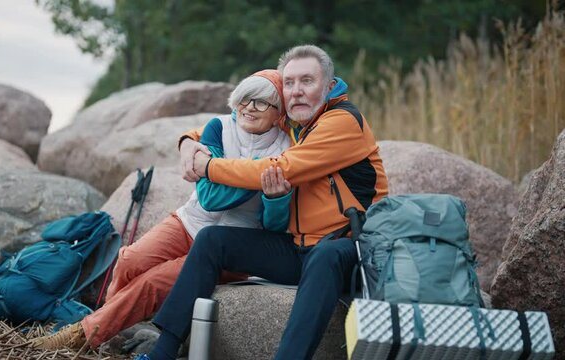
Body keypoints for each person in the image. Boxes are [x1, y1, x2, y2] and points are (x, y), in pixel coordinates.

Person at [138, 45, 388, 360]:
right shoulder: (299, 122)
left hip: (348, 249)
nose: (296, 91)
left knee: (326, 254)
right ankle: (163, 350)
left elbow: (279, 168)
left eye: (307, 81)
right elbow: (233, 120)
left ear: (328, 85)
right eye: (289, 83)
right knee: (213, 240)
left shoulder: (343, 122)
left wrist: (209, 167)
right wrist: (189, 140)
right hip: (300, 249)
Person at [31, 69, 293, 351]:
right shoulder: (218, 128)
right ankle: (110, 324)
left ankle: (84, 336)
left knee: (152, 283)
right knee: (130, 259)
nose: (250, 107)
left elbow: (274, 225)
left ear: (279, 113)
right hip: (189, 221)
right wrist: (256, 177)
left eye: (262, 102)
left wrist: (275, 199)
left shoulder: (286, 151)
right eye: (245, 98)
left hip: (230, 243)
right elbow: (208, 197)